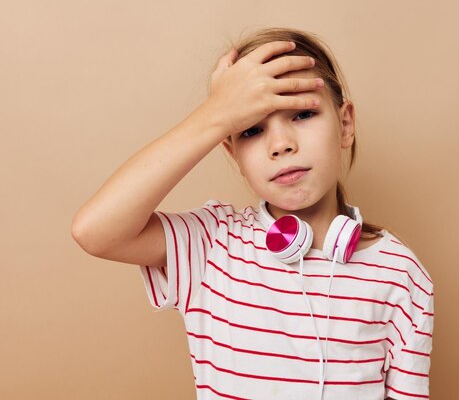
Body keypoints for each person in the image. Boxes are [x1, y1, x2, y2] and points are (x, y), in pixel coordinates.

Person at [71, 27, 434, 400]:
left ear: (345, 125)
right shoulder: (213, 244)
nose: (281, 145)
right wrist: (215, 116)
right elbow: (95, 230)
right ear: (232, 154)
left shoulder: (401, 273)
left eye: (302, 114)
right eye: (251, 130)